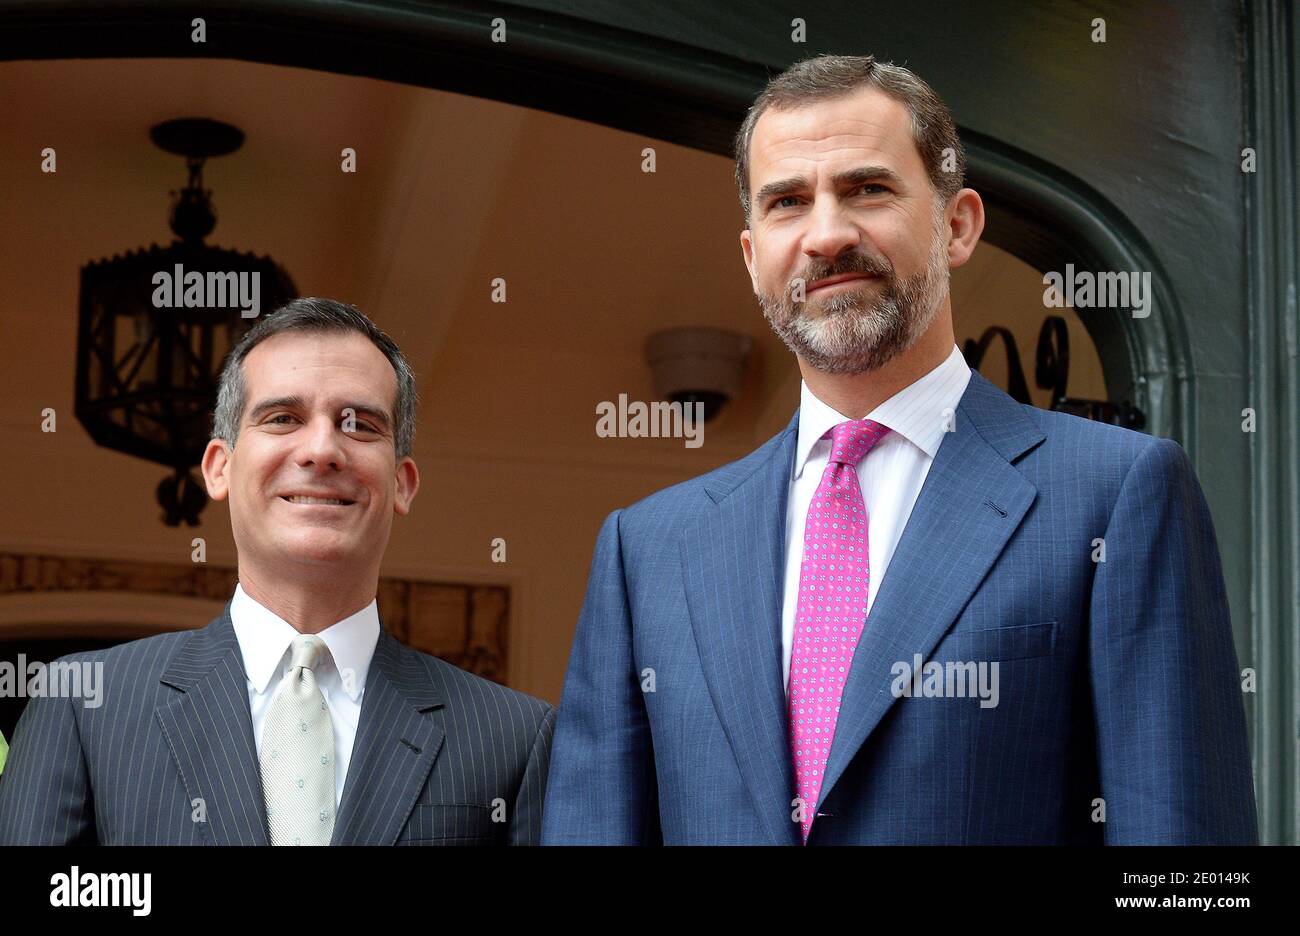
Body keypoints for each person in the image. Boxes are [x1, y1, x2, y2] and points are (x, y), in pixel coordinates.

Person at [541, 54, 1257, 845]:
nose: (826, 235)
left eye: (866, 189)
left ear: (957, 225)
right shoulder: (648, 550)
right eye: (787, 202)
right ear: (753, 258)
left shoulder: (1116, 494)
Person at [0, 298, 553, 845]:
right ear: (219, 468)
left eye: (359, 424)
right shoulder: (82, 706)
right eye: (283, 417)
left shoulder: (513, 739)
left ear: (403, 484)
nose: (321, 449)